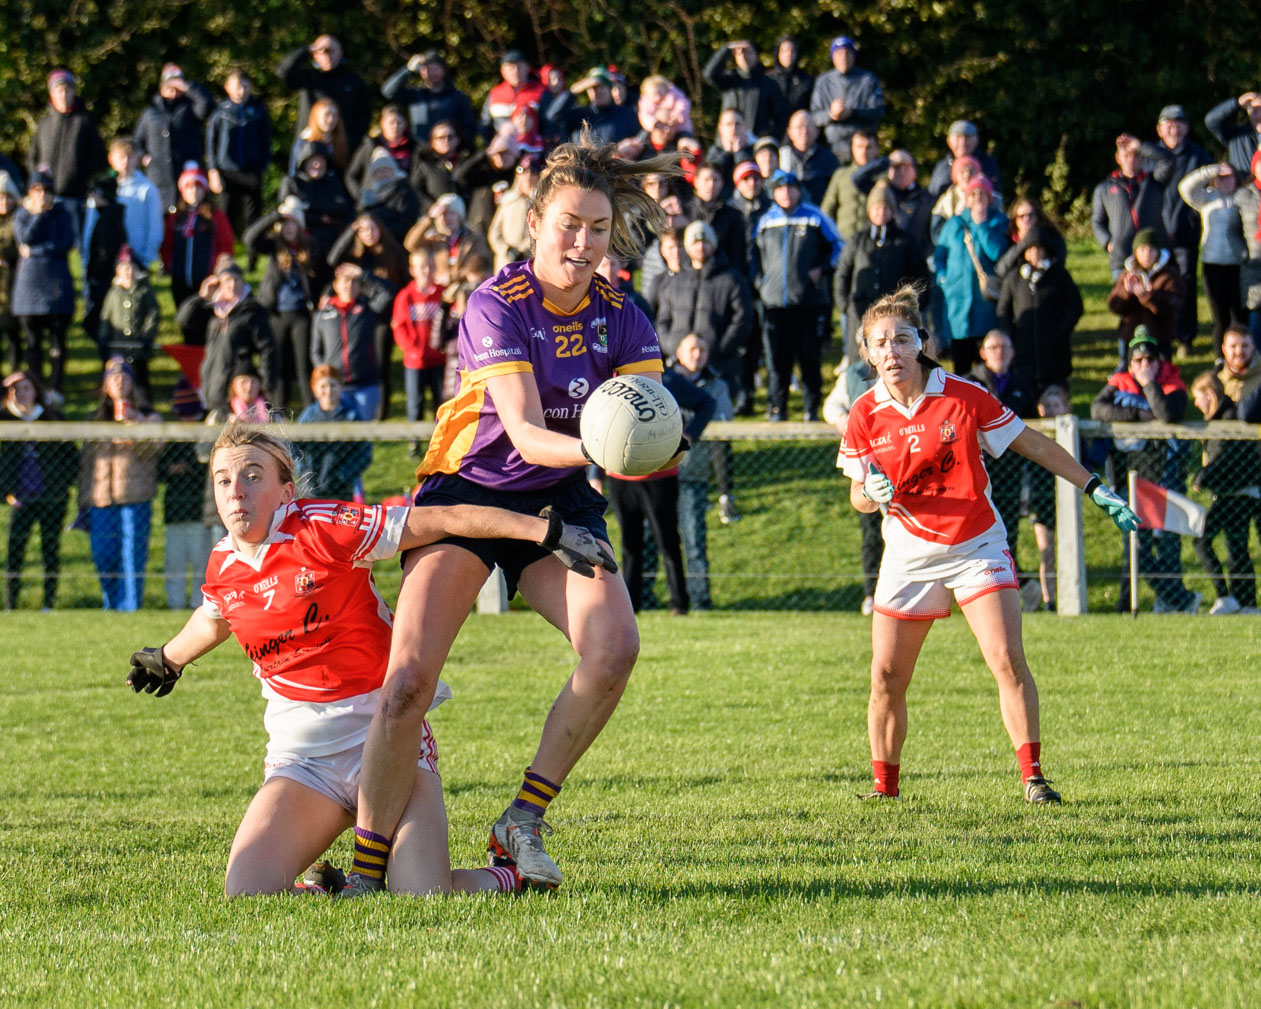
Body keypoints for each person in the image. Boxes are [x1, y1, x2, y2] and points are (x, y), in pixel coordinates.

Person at [341, 133, 682, 896]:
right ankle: (367, 871)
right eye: (569, 224)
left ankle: (521, 818)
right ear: (534, 221)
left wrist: (656, 437)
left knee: (614, 648)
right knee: (406, 684)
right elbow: (526, 433)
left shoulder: (623, 316)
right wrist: (608, 443)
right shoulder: (495, 302)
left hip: (558, 495)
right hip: (472, 488)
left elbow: (646, 427)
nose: (584, 242)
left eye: (598, 229)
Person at [125, 424, 615, 896]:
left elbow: (442, 520)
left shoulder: (323, 526)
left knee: (421, 894)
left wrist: (542, 532)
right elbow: (214, 618)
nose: (236, 492)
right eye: (224, 480)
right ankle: (330, 889)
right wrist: (167, 659)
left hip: (386, 741)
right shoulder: (222, 563)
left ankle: (513, 876)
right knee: (248, 891)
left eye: (253, 476)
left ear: (286, 491)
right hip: (304, 763)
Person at [838, 285, 1141, 804]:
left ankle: (1034, 778)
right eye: (879, 342)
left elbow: (1034, 443)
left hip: (975, 543)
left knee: (1006, 656)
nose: (892, 351)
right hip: (908, 554)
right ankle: (884, 789)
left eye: (902, 339)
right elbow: (857, 499)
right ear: (866, 352)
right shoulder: (865, 412)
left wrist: (1093, 485)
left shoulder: (963, 395)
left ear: (922, 343)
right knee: (886, 675)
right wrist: (869, 490)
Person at [1091, 329, 1200, 614]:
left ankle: (1171, 603)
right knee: (1134, 544)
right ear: (1129, 363)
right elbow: (1097, 409)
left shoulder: (1172, 381)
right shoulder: (1119, 383)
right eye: (1138, 360)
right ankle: (1130, 606)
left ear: (1159, 361)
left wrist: (1150, 386)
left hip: (1166, 474)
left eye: (1149, 359)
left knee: (1168, 545)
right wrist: (1138, 416)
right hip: (1130, 475)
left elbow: (1168, 413)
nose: (1144, 365)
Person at [606, 365, 715, 615]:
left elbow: (706, 403)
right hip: (620, 477)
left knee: (667, 541)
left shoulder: (665, 380)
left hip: (659, 476)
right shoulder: (608, 381)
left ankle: (679, 603)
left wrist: (687, 436)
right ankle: (631, 606)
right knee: (629, 546)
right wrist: (595, 473)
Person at [752, 169, 842, 421]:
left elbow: (839, 247)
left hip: (807, 304)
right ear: (774, 192)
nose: (786, 193)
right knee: (777, 361)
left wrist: (821, 270)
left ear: (799, 190)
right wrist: (759, 282)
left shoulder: (814, 217)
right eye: (781, 188)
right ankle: (777, 408)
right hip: (773, 305)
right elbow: (753, 257)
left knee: (809, 359)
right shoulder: (764, 221)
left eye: (791, 188)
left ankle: (811, 408)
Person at [80, 357, 163, 612]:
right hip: (101, 499)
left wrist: (134, 423)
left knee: (132, 556)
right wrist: (83, 500)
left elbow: (154, 450)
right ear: (105, 386)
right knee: (103, 554)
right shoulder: (94, 420)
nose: (119, 380)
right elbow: (86, 465)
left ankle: (130, 608)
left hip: (134, 498)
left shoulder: (150, 417)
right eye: (113, 377)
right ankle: (111, 603)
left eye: (125, 376)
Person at [0, 370, 76, 610]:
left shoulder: (52, 418)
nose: (21, 393)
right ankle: (11, 603)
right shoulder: (5, 419)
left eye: (26, 388)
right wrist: (6, 492)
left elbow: (71, 458)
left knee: (50, 549)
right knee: (15, 550)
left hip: (51, 497)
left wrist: (61, 487)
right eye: (16, 389)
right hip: (20, 498)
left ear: (36, 391)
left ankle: (49, 603)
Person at [967, 329, 1039, 568]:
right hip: (978, 468)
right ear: (983, 353)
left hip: (1011, 469)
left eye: (1004, 347)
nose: (1000, 352)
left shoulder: (1023, 384)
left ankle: (1009, 570)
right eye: (994, 347)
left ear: (1013, 352)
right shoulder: (969, 383)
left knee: (1008, 525)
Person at [834, 181, 927, 364]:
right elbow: (842, 274)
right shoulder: (857, 240)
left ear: (892, 210)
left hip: (895, 314)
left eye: (885, 208)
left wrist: (914, 307)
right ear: (869, 210)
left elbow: (920, 276)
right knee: (860, 364)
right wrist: (845, 305)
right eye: (876, 208)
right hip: (859, 312)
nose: (881, 213)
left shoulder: (905, 241)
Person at [1188, 371, 1258, 615]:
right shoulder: (1221, 418)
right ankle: (1244, 602)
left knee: (1201, 538)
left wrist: (1203, 476)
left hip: (1239, 493)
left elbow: (1228, 456)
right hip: (1233, 493)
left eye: (1198, 397)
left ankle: (1226, 596)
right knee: (1236, 547)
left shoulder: (1229, 418)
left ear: (1209, 393)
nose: (1196, 404)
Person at [243, 196, 321, 412]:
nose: (289, 227)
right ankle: (278, 414)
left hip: (301, 314)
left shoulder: (310, 247)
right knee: (278, 366)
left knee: (303, 366)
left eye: (293, 222)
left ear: (300, 225)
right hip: (276, 314)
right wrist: (276, 215)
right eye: (285, 223)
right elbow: (249, 238)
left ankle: (311, 413)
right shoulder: (273, 246)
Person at [670, 333, 729, 607]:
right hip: (658, 473)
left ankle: (699, 598)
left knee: (694, 539)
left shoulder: (716, 385)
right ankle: (646, 595)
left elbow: (721, 421)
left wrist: (690, 432)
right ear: (679, 352)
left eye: (703, 349)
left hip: (693, 472)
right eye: (692, 348)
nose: (698, 354)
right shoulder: (663, 380)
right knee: (650, 539)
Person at [933, 175, 1009, 373]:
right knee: (961, 362)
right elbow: (940, 254)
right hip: (957, 300)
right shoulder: (954, 224)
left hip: (984, 301)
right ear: (966, 198)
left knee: (986, 362)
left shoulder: (998, 222)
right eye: (973, 194)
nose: (978, 198)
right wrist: (943, 278)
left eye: (983, 193)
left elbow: (997, 251)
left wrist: (982, 224)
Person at [995, 225, 1083, 392]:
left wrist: (1061, 330)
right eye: (1030, 249)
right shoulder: (1014, 278)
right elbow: (1003, 310)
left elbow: (1075, 306)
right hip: (1022, 349)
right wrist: (1011, 334)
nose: (1034, 253)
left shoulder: (1059, 275)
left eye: (1038, 248)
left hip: (1054, 349)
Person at [1154, 104, 1213, 354]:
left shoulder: (1198, 157)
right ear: (1159, 129)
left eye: (1178, 123)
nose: (1173, 128)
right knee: (1158, 287)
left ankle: (1185, 338)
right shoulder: (1150, 157)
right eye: (1168, 123)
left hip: (1186, 235)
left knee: (1186, 287)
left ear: (1186, 128)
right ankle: (1160, 336)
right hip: (1156, 237)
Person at [13, 170, 76, 400]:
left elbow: (64, 244)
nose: (43, 196)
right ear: (29, 192)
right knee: (33, 342)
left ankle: (56, 388)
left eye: (47, 191)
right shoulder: (22, 215)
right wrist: (38, 215)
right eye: (37, 190)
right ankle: (36, 387)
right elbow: (25, 238)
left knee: (58, 340)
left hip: (57, 286)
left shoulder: (63, 215)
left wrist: (36, 252)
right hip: (29, 288)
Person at [190, 260, 277, 416]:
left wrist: (267, 384)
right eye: (227, 280)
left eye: (236, 279)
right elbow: (185, 320)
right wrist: (201, 296)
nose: (232, 285)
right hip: (212, 378)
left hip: (235, 384)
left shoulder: (252, 311)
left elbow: (268, 348)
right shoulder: (214, 309)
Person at [1178, 162, 1247, 358]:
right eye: (1221, 178)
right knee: (1220, 317)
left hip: (1238, 264)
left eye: (1229, 177)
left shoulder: (1243, 198)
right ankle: (1220, 358)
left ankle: (1244, 356)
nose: (1226, 182)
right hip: (1213, 264)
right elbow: (1185, 187)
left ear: (1236, 179)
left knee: (1240, 315)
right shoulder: (1207, 199)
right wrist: (1213, 170)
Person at [157, 379, 213, 610]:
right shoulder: (173, 437)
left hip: (200, 512)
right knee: (175, 565)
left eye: (192, 415)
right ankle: (175, 605)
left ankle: (199, 607)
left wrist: (188, 467)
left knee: (202, 566)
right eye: (184, 415)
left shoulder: (207, 435)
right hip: (175, 512)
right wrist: (172, 469)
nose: (188, 420)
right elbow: (160, 469)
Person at [27, 69, 106, 230]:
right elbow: (32, 158)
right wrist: (38, 180)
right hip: (45, 200)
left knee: (74, 249)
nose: (63, 94)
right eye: (59, 90)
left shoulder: (85, 121)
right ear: (51, 94)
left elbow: (100, 157)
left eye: (67, 89)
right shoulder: (44, 123)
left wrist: (79, 173)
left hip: (74, 199)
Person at [1091, 133, 1174, 279]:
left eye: (1136, 156)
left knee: (1155, 300)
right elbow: (1097, 221)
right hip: (1121, 256)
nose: (1131, 160)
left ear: (1142, 158)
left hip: (1152, 254)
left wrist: (1139, 146)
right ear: (1118, 158)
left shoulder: (1154, 182)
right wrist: (1108, 243)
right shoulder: (1104, 188)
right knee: (1124, 301)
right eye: (1127, 155)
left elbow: (1169, 160)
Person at [312, 262, 387, 423]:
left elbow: (387, 294)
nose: (349, 285)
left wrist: (364, 273)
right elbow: (315, 350)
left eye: (354, 281)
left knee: (363, 434)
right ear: (335, 285)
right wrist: (325, 372)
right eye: (345, 281)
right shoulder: (323, 314)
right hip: (336, 387)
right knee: (337, 435)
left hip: (365, 384)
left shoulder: (368, 310)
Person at [133, 64, 214, 212]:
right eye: (169, 83)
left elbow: (207, 105)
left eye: (177, 84)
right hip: (158, 178)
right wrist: (144, 157)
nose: (173, 88)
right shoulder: (150, 113)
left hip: (186, 176)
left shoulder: (191, 109)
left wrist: (188, 87)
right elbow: (137, 141)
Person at [205, 69, 273, 241]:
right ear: (227, 87)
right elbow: (211, 142)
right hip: (226, 171)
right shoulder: (220, 112)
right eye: (237, 86)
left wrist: (262, 166)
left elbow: (266, 140)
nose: (241, 90)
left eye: (244, 86)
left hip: (251, 171)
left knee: (252, 217)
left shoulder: (258, 110)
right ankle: (224, 254)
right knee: (225, 217)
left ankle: (252, 257)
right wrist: (213, 170)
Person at [160, 162, 236, 308]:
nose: (193, 192)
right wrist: (171, 264)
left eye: (198, 188)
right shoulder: (176, 218)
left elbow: (226, 245)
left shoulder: (216, 216)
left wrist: (218, 269)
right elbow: (167, 243)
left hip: (207, 277)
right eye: (189, 188)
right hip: (180, 278)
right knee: (184, 314)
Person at [1105, 227, 1183, 365]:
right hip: (1131, 337)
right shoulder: (1127, 275)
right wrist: (1127, 293)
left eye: (1151, 250)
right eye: (1142, 250)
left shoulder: (1169, 276)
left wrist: (1148, 297)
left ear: (1158, 252)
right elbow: (1114, 306)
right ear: (1135, 252)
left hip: (1160, 337)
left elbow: (1174, 304)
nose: (1147, 254)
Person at [278, 35, 372, 150]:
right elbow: (284, 71)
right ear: (315, 55)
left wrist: (351, 142)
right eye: (322, 51)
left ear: (341, 53)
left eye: (331, 51)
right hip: (310, 145)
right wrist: (307, 49)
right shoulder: (308, 77)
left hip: (342, 150)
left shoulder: (354, 82)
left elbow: (363, 116)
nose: (327, 55)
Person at [295, 365, 372, 500]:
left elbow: (364, 451)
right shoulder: (309, 416)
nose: (328, 391)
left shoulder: (351, 415)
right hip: (312, 488)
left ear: (341, 387)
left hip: (341, 488)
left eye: (333, 385)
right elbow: (293, 447)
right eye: (323, 386)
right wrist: (303, 472)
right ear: (314, 389)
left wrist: (346, 475)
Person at [392, 244, 448, 422]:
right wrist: (412, 349)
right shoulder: (405, 296)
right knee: (415, 402)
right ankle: (413, 443)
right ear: (412, 270)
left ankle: (440, 441)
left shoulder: (443, 294)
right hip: (415, 361)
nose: (426, 271)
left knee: (441, 403)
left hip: (439, 359)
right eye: (422, 266)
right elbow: (399, 327)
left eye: (430, 266)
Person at [808, 36, 885, 163]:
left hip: (862, 148)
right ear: (833, 57)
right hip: (832, 148)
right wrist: (831, 114)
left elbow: (877, 111)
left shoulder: (867, 79)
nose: (843, 57)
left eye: (847, 53)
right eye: (839, 53)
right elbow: (815, 116)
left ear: (854, 56)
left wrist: (853, 112)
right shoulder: (823, 82)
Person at [381, 51, 476, 150]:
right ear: (421, 72)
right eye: (427, 69)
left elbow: (469, 127)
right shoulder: (415, 95)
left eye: (435, 69)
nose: (431, 73)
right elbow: (388, 92)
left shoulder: (457, 97)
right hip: (420, 153)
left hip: (449, 152)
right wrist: (408, 70)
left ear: (443, 71)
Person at [279, 141, 355, 261]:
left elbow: (344, 208)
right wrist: (319, 218)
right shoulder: (293, 182)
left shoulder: (333, 183)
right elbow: (286, 212)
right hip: (302, 236)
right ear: (304, 162)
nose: (317, 165)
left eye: (321, 160)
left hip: (332, 236)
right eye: (313, 160)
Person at [97, 246, 160, 390]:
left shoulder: (145, 291)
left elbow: (153, 314)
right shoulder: (113, 293)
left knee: (141, 379)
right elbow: (106, 315)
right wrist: (103, 335)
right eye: (125, 269)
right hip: (119, 345)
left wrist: (147, 334)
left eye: (131, 268)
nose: (128, 272)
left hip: (139, 344)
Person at [703, 40, 788, 141]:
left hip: (756, 145)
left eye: (749, 52)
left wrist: (766, 139)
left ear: (756, 55)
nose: (744, 56)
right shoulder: (730, 80)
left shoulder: (769, 83)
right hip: (729, 142)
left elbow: (781, 118)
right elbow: (709, 74)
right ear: (735, 56)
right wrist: (726, 49)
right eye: (740, 53)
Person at [80, 174, 129, 342]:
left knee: (96, 322)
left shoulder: (107, 220)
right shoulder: (112, 216)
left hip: (104, 279)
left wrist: (95, 275)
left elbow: (104, 253)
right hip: (105, 277)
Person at [106, 136, 164, 268]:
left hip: (138, 258)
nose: (125, 162)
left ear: (137, 159)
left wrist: (147, 256)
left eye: (130, 157)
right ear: (111, 159)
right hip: (109, 258)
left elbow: (155, 225)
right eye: (121, 157)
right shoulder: (104, 189)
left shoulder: (147, 188)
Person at [821, 130, 879, 240]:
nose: (864, 151)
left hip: (871, 240)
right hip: (843, 239)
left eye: (869, 147)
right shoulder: (841, 175)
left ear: (876, 149)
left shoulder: (883, 176)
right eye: (859, 147)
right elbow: (827, 209)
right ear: (852, 149)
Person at [489, 154, 541, 270]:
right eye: (523, 172)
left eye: (533, 173)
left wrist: (522, 250)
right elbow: (494, 232)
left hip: (530, 261)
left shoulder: (542, 203)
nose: (527, 177)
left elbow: (542, 230)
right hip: (505, 262)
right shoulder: (508, 200)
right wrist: (506, 249)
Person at [927, 120, 1002, 200]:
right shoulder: (941, 167)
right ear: (949, 141)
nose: (963, 142)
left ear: (976, 140)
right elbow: (932, 196)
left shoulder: (988, 164)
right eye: (958, 137)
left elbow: (996, 195)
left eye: (968, 137)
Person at [778, 110, 839, 208]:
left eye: (808, 126)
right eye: (799, 127)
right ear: (790, 132)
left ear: (817, 131)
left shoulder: (829, 158)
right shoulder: (780, 157)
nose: (804, 131)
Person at [480, 51, 545, 142]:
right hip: (504, 150)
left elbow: (548, 123)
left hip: (535, 150)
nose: (515, 71)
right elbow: (485, 123)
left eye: (519, 66)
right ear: (502, 71)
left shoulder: (540, 91)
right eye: (510, 68)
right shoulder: (495, 93)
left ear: (527, 67)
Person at [1205, 91, 1261, 175]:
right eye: (1255, 110)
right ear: (1248, 113)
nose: (1259, 115)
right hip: (1242, 186)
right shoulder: (1237, 135)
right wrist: (1236, 103)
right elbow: (1211, 120)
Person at [288, 98, 350, 175]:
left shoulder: (339, 142)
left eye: (334, 116)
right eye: (326, 115)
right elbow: (293, 172)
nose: (331, 119)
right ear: (316, 116)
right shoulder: (304, 142)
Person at [0, 175, 20, 372]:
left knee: (13, 335)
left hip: (13, 284)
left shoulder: (20, 219)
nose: (4, 202)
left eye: (8, 197)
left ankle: (15, 375)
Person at [767, 35, 814, 115]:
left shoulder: (807, 81)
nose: (788, 54)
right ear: (778, 53)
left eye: (792, 51)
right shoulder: (768, 80)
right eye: (785, 51)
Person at [1217, 327, 1261, 404]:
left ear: (1253, 347)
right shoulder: (1217, 382)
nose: (1239, 351)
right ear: (1224, 349)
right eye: (1233, 346)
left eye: (1245, 346)